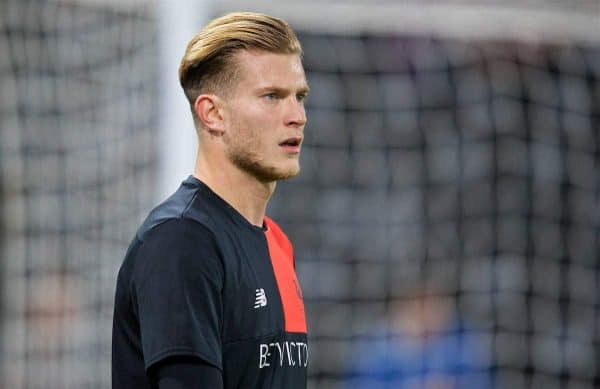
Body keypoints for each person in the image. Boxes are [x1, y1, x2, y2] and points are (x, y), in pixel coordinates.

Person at [112, 12, 309, 389]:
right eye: (272, 96)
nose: (297, 116)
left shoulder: (276, 243)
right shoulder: (181, 241)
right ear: (213, 113)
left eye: (299, 96)